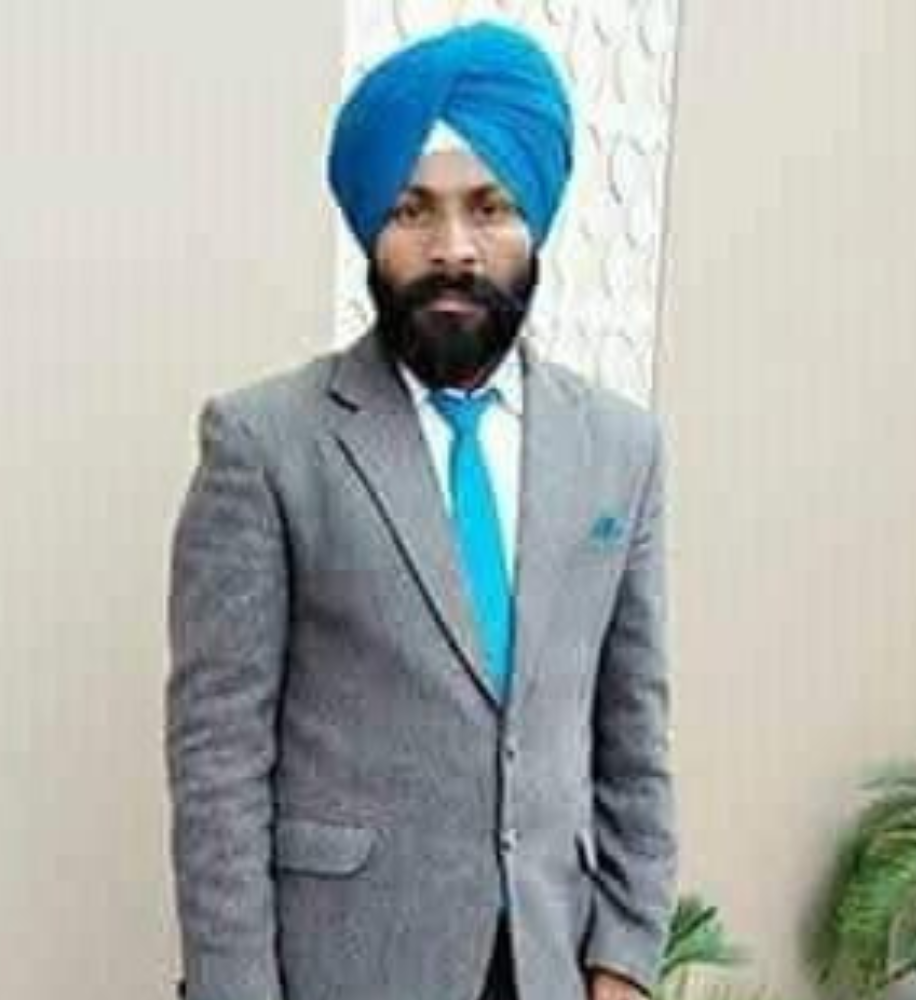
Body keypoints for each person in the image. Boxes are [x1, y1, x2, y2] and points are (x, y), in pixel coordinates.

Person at [165, 20, 678, 1000]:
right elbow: (217, 760)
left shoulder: (622, 448)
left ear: (533, 219)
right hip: (343, 965)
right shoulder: (263, 442)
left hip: (548, 961)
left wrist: (624, 960)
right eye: (413, 211)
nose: (452, 249)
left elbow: (633, 730)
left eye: (488, 208)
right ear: (371, 228)